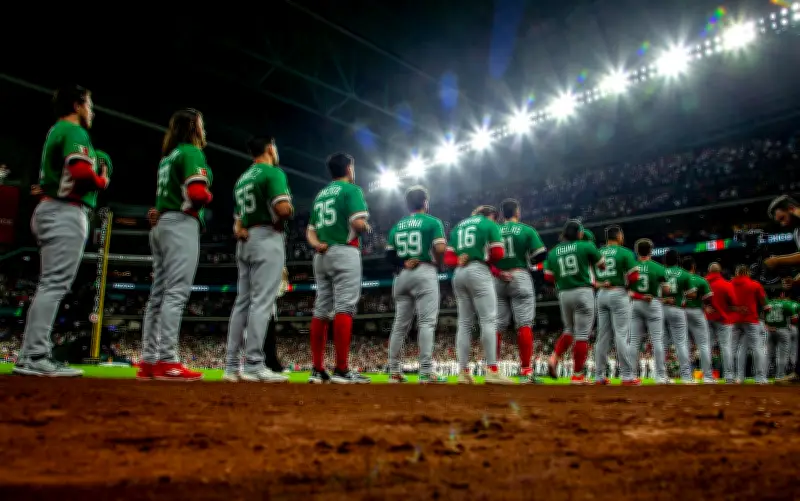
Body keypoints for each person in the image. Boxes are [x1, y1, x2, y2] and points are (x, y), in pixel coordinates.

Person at [15, 85, 110, 377]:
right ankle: (34, 355)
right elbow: (81, 172)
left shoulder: (57, 130)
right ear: (78, 104)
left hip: (52, 209)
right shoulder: (73, 131)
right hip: (64, 210)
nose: (91, 111)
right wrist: (102, 180)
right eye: (90, 104)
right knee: (54, 285)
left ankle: (31, 354)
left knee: (50, 284)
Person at [137, 108, 212, 382]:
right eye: (201, 125)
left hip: (161, 225)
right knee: (176, 294)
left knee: (158, 295)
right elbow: (196, 193)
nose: (204, 130)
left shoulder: (168, 158)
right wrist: (208, 195)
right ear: (194, 127)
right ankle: (168, 360)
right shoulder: (191, 153)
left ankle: (149, 360)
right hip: (181, 224)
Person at [224, 136, 293, 383]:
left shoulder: (243, 178)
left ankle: (232, 366)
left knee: (242, 302)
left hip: (245, 241)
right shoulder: (272, 173)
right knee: (262, 303)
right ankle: (254, 363)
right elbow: (283, 209)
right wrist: (288, 213)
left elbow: (238, 219)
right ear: (270, 148)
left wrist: (240, 228)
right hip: (266, 237)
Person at [306, 152, 371, 384]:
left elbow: (310, 230)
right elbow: (357, 223)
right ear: (349, 168)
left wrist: (317, 245)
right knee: (344, 307)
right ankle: (342, 370)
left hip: (321, 254)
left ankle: (316, 370)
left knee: (321, 309)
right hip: (345, 251)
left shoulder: (321, 195)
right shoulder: (352, 190)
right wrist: (367, 227)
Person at [444, 205, 514, 384]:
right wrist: (486, 259)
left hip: (459, 274)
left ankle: (463, 372)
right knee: (488, 320)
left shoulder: (459, 226)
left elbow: (448, 258)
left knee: (464, 323)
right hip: (478, 272)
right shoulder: (489, 225)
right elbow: (498, 253)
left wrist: (461, 259)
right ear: (491, 215)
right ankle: (492, 370)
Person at [385, 186, 447, 384]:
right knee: (426, 323)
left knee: (399, 325)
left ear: (408, 204)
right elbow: (440, 247)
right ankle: (426, 372)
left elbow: (388, 255)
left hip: (402, 275)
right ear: (425, 203)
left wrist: (402, 262)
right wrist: (439, 261)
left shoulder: (398, 225)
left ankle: (394, 371)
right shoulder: (432, 222)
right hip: (424, 271)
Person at [544, 220, 605, 385]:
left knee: (569, 330)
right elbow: (602, 265)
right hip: (583, 291)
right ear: (579, 233)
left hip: (564, 293)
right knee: (582, 335)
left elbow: (548, 277)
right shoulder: (586, 246)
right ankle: (577, 375)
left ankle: (554, 357)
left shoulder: (554, 252)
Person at [493, 198, 546, 383]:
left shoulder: (494, 230)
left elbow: (486, 257)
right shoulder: (526, 230)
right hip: (519, 274)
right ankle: (525, 371)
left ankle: (492, 369)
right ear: (517, 212)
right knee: (524, 325)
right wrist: (530, 261)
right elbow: (540, 254)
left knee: (497, 326)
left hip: (497, 278)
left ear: (502, 214)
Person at [593, 225, 640, 385]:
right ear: (619, 236)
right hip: (619, 292)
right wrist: (628, 287)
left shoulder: (597, 253)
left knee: (602, 336)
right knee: (621, 335)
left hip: (601, 294)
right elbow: (634, 276)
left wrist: (600, 284)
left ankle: (599, 375)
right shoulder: (625, 252)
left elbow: (590, 278)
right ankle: (627, 375)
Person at [764, 195, 800, 383]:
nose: (783, 224)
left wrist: (778, 260)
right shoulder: (796, 231)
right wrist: (795, 281)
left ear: (792, 209)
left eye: (782, 218)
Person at [629, 239, 669, 384]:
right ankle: (660, 376)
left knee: (634, 341)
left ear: (636, 251)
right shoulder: (658, 268)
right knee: (657, 340)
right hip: (653, 302)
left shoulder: (631, 267)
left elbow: (626, 290)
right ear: (651, 251)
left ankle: (631, 376)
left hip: (635, 303)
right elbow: (666, 289)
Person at [730, 265, 768, 384]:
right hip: (751, 319)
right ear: (747, 273)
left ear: (736, 272)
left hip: (734, 321)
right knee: (757, 348)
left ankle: (738, 377)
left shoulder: (729, 284)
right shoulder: (754, 284)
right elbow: (765, 304)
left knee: (735, 349)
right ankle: (760, 377)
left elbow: (725, 303)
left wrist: (736, 309)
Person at [662, 250, 695, 384]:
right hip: (677, 309)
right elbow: (692, 294)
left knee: (661, 344)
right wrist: (682, 295)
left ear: (665, 260)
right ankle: (686, 377)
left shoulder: (660, 271)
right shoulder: (685, 274)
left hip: (661, 309)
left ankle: (661, 376)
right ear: (678, 260)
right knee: (681, 343)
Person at [681, 256, 715, 383]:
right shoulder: (701, 280)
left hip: (682, 312)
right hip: (696, 312)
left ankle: (686, 377)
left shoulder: (679, 279)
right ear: (693, 267)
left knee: (683, 345)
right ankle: (707, 377)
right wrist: (706, 305)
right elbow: (709, 298)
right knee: (704, 345)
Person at [704, 263, 738, 383]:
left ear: (708, 270)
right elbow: (734, 302)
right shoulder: (726, 284)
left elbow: (695, 299)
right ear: (720, 271)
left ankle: (707, 376)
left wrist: (705, 307)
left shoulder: (702, 282)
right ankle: (729, 377)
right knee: (726, 347)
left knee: (706, 347)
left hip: (707, 318)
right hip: (723, 320)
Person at [764, 293, 797, 379]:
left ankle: (763, 377)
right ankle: (780, 376)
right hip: (783, 330)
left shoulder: (768, 303)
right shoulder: (787, 304)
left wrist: (767, 325)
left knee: (768, 355)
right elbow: (794, 319)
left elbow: (762, 316)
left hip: (769, 330)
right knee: (782, 356)